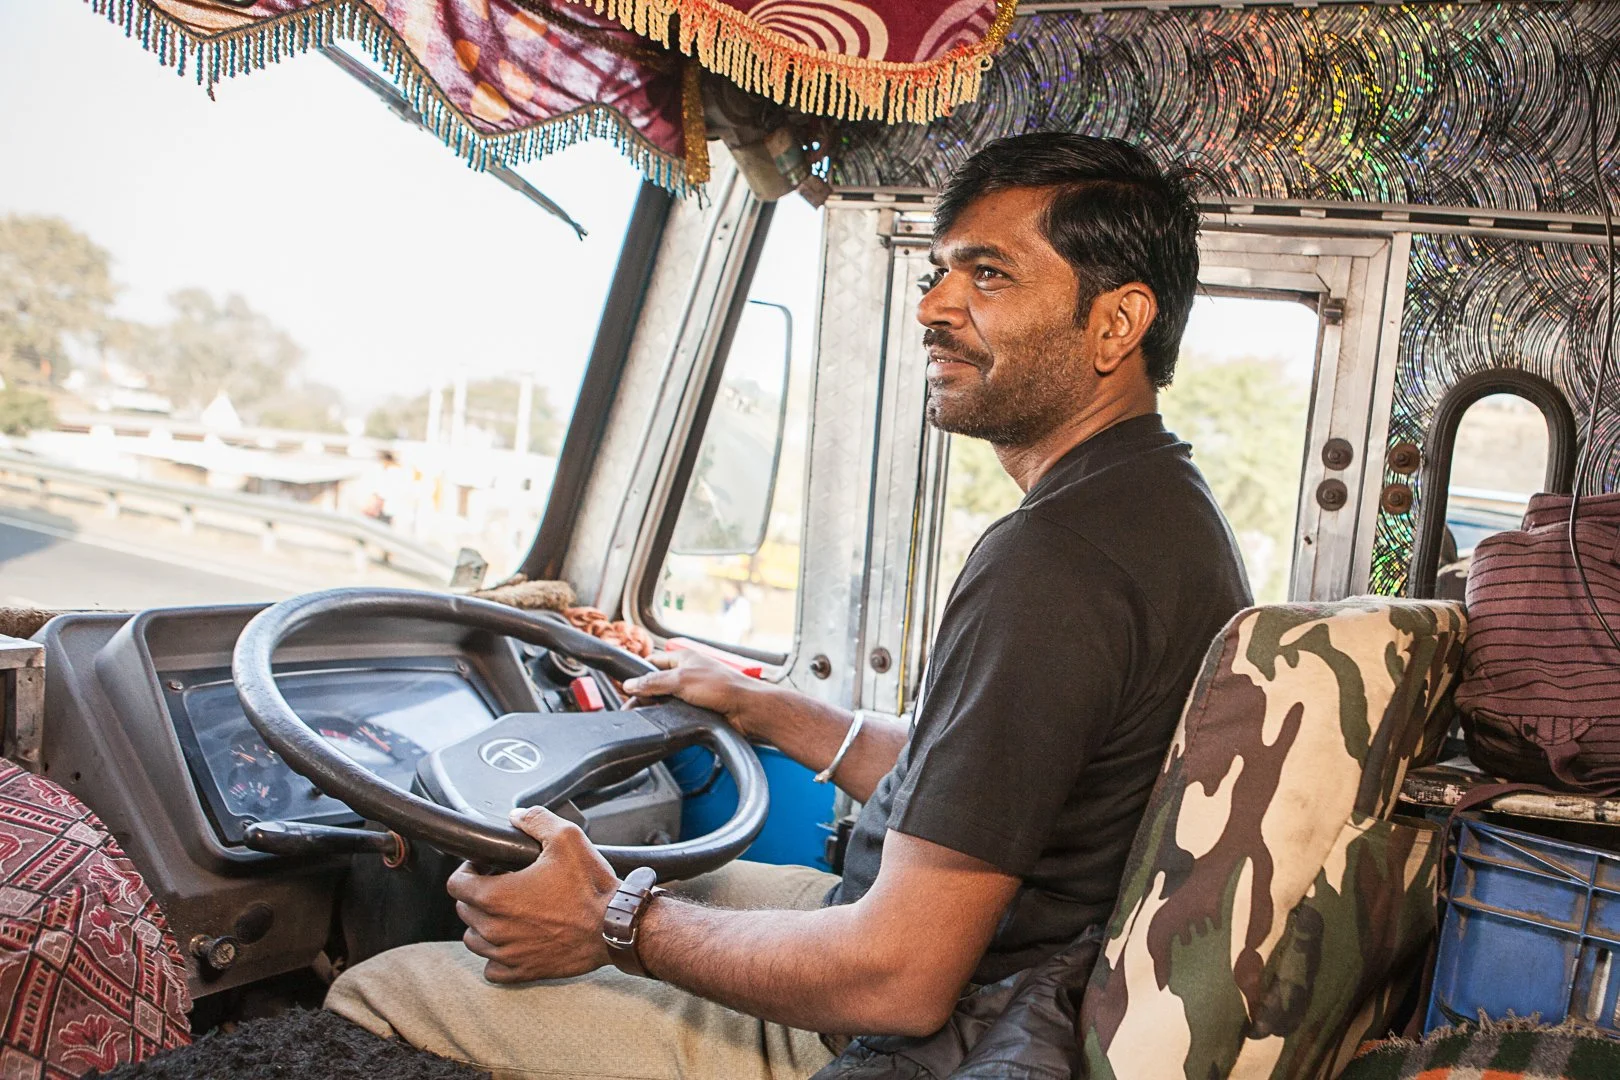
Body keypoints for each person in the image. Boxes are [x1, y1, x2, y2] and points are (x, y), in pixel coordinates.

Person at [326, 133, 1253, 1079]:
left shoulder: (1056, 563)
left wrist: (612, 922)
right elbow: (994, 789)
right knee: (698, 872)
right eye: (939, 273)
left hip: (910, 1027)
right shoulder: (1161, 510)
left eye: (990, 275)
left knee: (384, 987)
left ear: (1115, 324)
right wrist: (765, 704)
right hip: (984, 959)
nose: (933, 307)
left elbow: (897, 977)